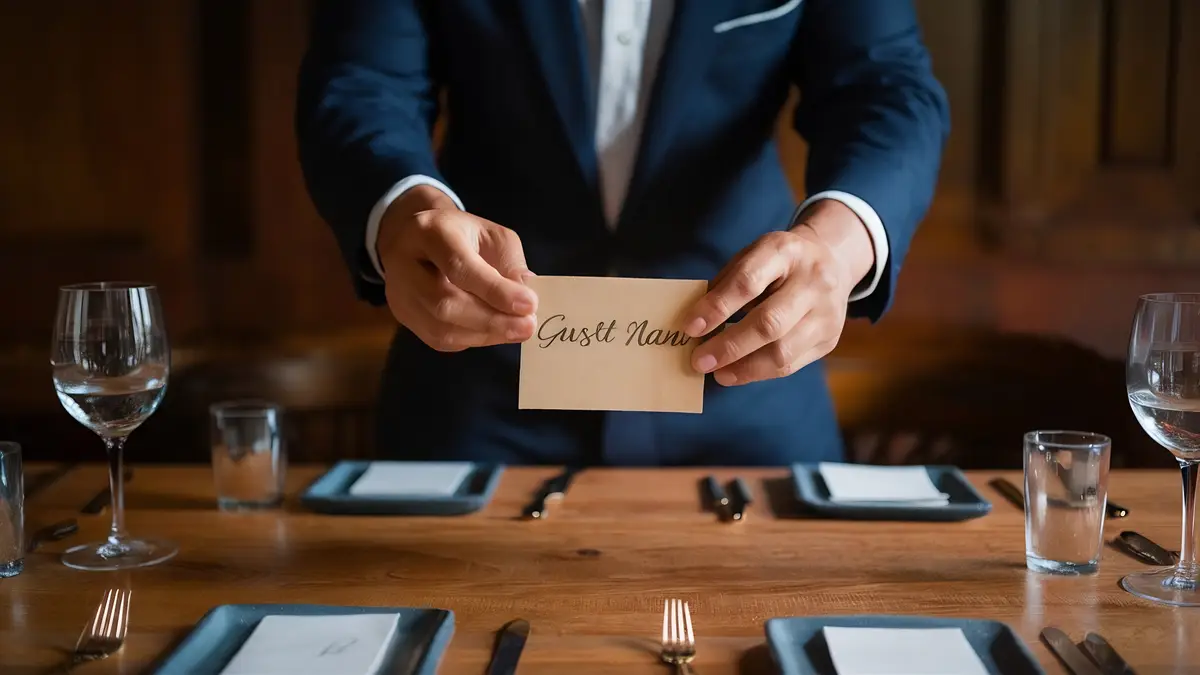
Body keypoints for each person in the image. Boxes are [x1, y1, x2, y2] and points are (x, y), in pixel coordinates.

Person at [295, 0, 949, 466]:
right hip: (478, 389)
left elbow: (885, 86)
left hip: (746, 386)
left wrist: (837, 248)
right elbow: (363, 81)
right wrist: (404, 208)